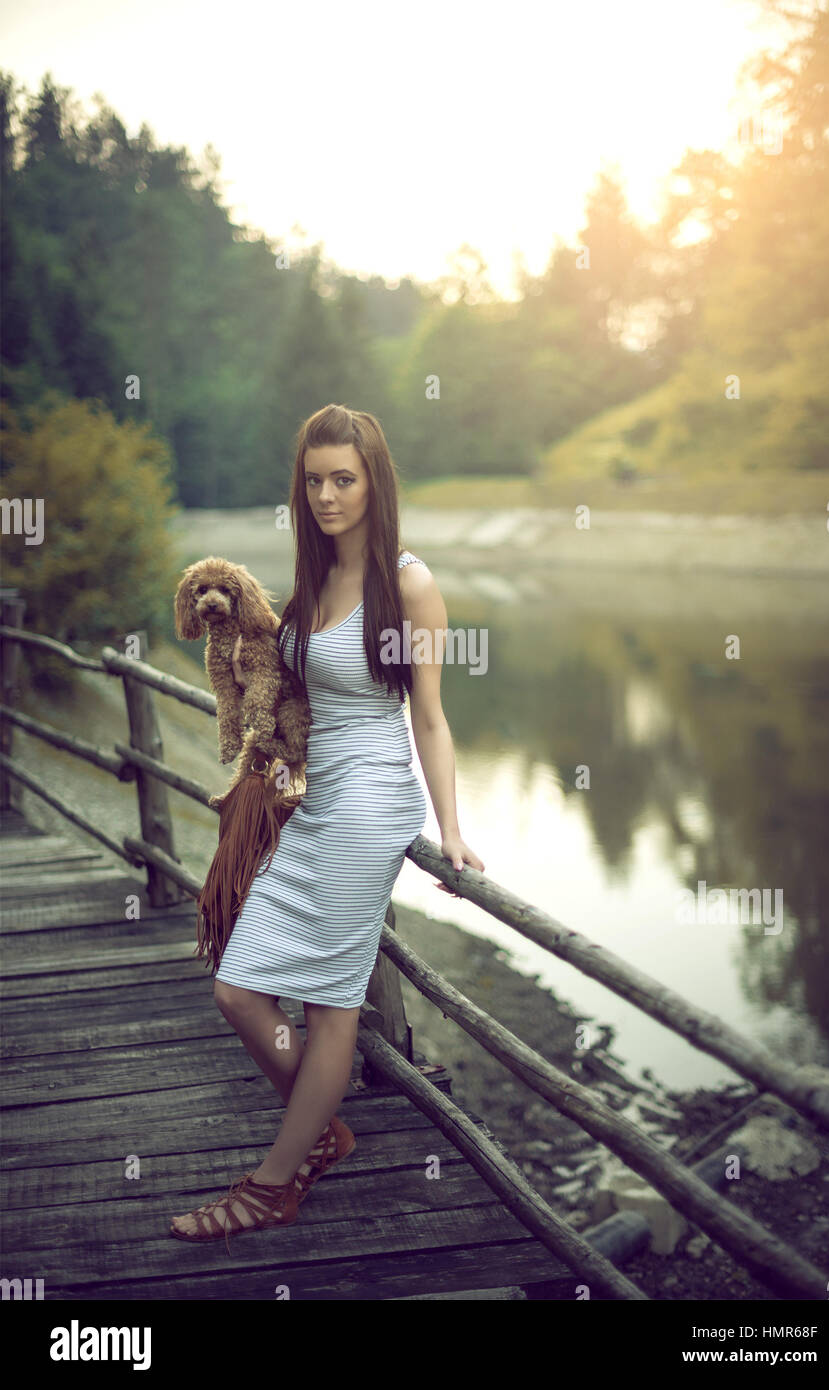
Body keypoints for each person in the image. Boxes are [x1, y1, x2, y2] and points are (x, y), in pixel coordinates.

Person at [170, 403, 485, 1244]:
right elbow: (286, 689)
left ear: (374, 481)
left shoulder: (409, 583)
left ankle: (276, 1180)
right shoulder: (311, 583)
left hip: (373, 802)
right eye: (313, 480)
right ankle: (319, 1133)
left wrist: (450, 831)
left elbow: (430, 719)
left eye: (343, 478)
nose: (326, 494)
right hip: (307, 800)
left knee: (330, 1008)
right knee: (238, 989)